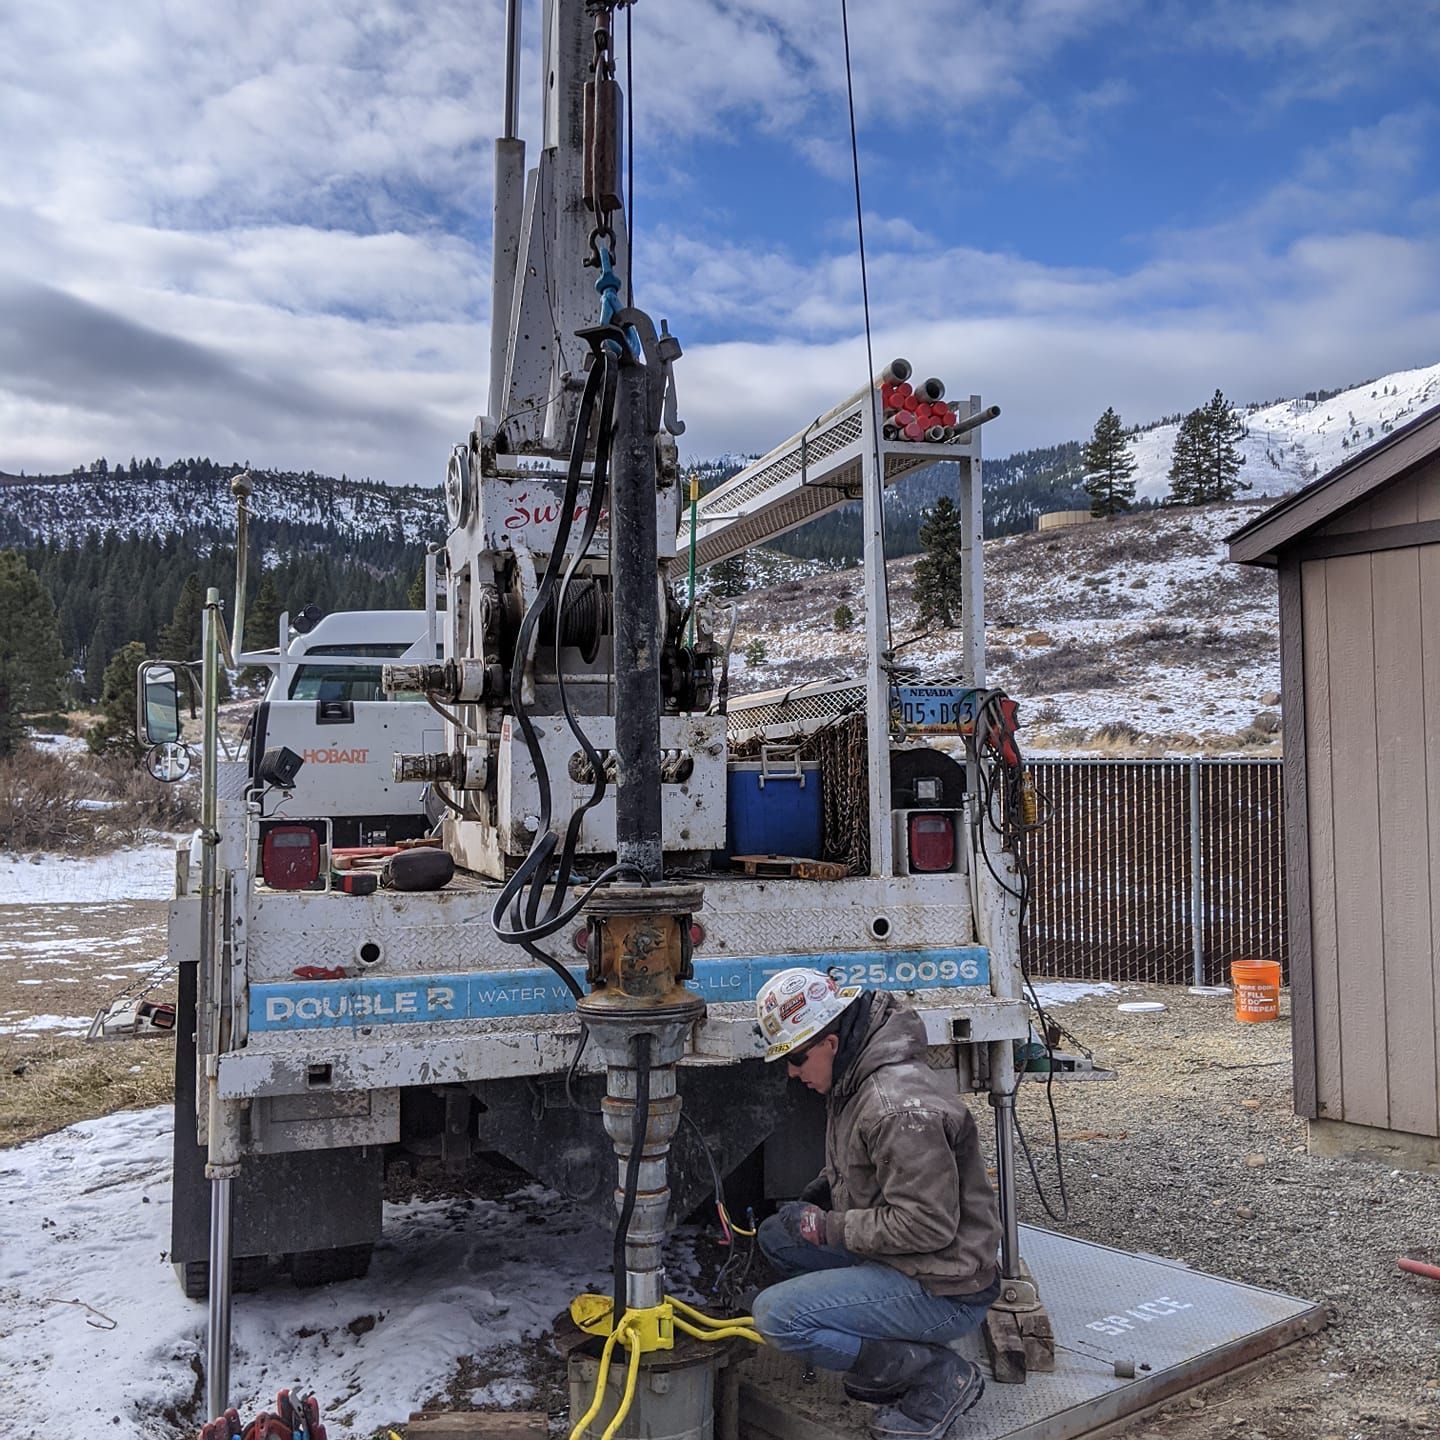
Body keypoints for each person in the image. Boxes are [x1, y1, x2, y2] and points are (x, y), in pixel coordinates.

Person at [750, 968, 1001, 1440]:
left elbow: (927, 1226)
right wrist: (822, 1194)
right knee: (778, 1238)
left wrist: (830, 1228)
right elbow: (865, 1165)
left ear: (828, 1042)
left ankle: (935, 1375)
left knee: (777, 1316)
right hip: (913, 1260)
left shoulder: (895, 1106)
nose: (791, 1071)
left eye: (797, 1057)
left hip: (945, 1284)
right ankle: (867, 1327)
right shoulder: (854, 1076)